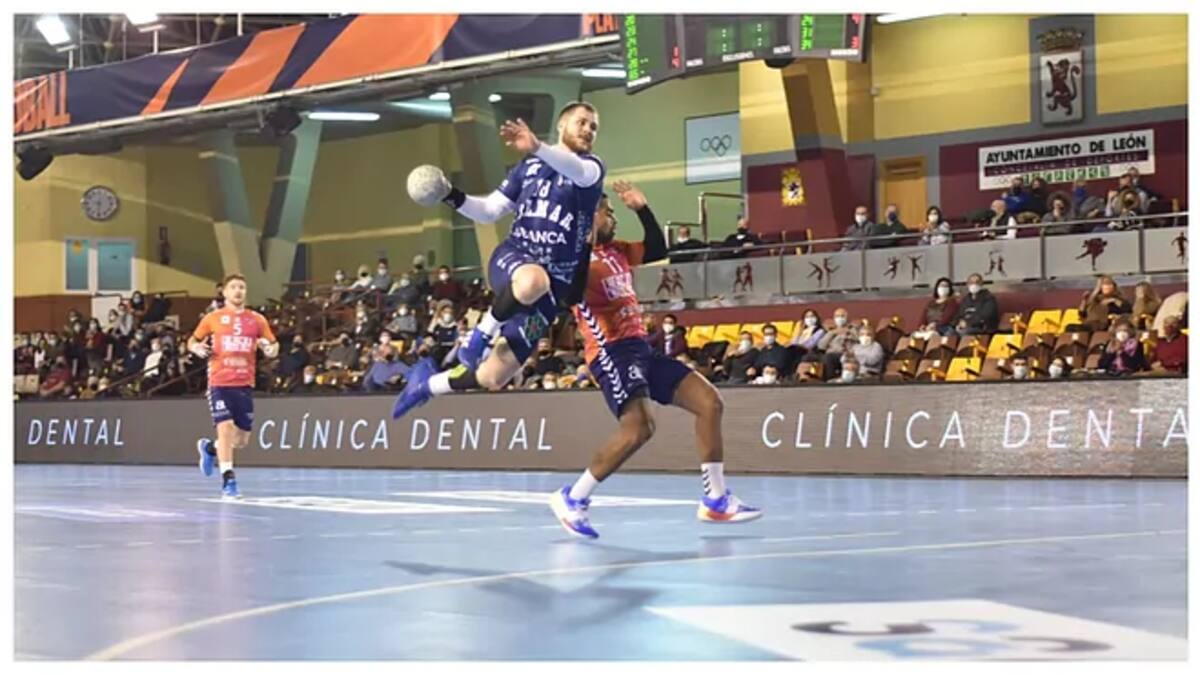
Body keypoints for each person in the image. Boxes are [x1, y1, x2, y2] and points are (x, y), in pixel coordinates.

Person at [549, 181, 759, 538]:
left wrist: (642, 209)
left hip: (641, 347)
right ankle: (573, 497)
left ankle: (715, 499)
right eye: (607, 212)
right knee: (639, 428)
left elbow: (658, 249)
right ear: (588, 219)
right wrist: (582, 241)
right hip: (611, 351)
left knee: (710, 403)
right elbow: (569, 294)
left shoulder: (617, 250)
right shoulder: (570, 258)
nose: (613, 217)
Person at [393, 102, 606, 419]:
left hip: (552, 286)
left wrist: (538, 146)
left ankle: (427, 384)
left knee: (494, 376)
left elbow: (574, 169)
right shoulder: (528, 167)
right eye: (582, 122)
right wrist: (450, 194)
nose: (588, 130)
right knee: (532, 280)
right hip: (514, 258)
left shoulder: (592, 169)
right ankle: (481, 334)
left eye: (593, 127)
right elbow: (490, 210)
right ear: (562, 125)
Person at [188, 274, 279, 499]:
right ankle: (229, 481)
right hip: (219, 382)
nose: (238, 291)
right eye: (234, 287)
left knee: (240, 440)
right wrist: (197, 348)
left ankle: (210, 448)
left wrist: (270, 349)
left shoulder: (257, 319)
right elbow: (192, 340)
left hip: (244, 383)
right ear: (225, 292)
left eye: (242, 287)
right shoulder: (213, 318)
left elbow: (273, 344)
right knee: (226, 428)